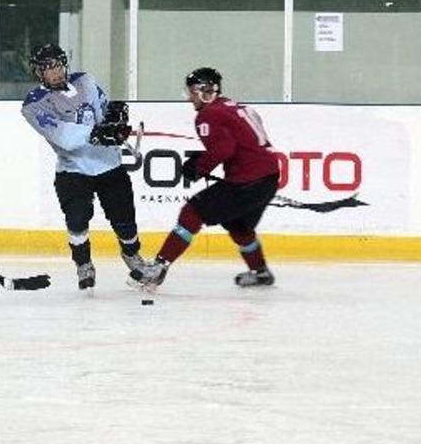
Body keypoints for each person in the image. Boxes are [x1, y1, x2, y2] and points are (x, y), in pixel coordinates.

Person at [129, 67, 279, 291]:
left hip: (247, 180)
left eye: (192, 91)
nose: (190, 97)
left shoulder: (208, 114)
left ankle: (158, 268)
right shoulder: (233, 105)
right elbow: (241, 142)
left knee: (192, 212)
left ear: (203, 91)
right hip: (268, 176)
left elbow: (224, 149)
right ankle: (260, 272)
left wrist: (198, 167)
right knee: (238, 225)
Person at [21, 44, 145, 291]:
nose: (54, 72)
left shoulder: (85, 80)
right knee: (77, 221)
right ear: (38, 73)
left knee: (125, 221)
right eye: (47, 69)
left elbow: (103, 112)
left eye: (57, 65)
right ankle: (83, 264)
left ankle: (132, 256)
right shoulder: (34, 104)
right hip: (73, 171)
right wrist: (98, 132)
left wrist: (114, 122)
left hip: (109, 164)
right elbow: (64, 137)